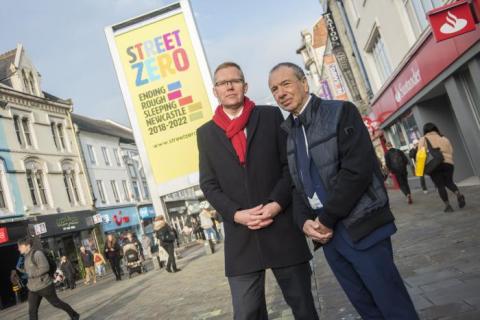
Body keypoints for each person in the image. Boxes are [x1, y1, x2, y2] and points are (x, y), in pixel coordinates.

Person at [269, 62, 418, 320]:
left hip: (361, 227)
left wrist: (326, 219)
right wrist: (303, 220)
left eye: (286, 84)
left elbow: (357, 170)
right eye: (273, 89)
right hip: (329, 239)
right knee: (366, 308)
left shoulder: (340, 112)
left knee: (392, 305)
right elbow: (297, 184)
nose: (280, 93)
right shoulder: (290, 133)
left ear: (304, 83)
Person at [198, 62, 317, 320]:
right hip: (241, 238)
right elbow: (208, 184)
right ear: (215, 91)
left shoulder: (270, 116)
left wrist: (276, 204)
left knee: (304, 308)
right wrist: (236, 214)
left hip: (282, 228)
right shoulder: (205, 134)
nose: (229, 86)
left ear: (245, 86)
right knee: (246, 313)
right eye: (222, 83)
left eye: (235, 80)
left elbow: (290, 167)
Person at [17, 237, 79, 320]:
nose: (19, 249)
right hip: (33, 288)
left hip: (44, 286)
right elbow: (28, 271)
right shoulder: (26, 257)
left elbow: (45, 268)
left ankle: (74, 315)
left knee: (56, 303)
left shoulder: (37, 254)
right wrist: (20, 268)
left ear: (27, 245)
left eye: (20, 246)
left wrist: (32, 274)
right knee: (32, 310)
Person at [418, 122, 466, 212]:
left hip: (434, 165)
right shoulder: (444, 138)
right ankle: (458, 194)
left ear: (425, 130)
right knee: (449, 182)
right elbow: (451, 151)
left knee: (440, 185)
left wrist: (420, 169)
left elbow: (421, 154)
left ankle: (448, 206)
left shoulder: (424, 139)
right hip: (448, 163)